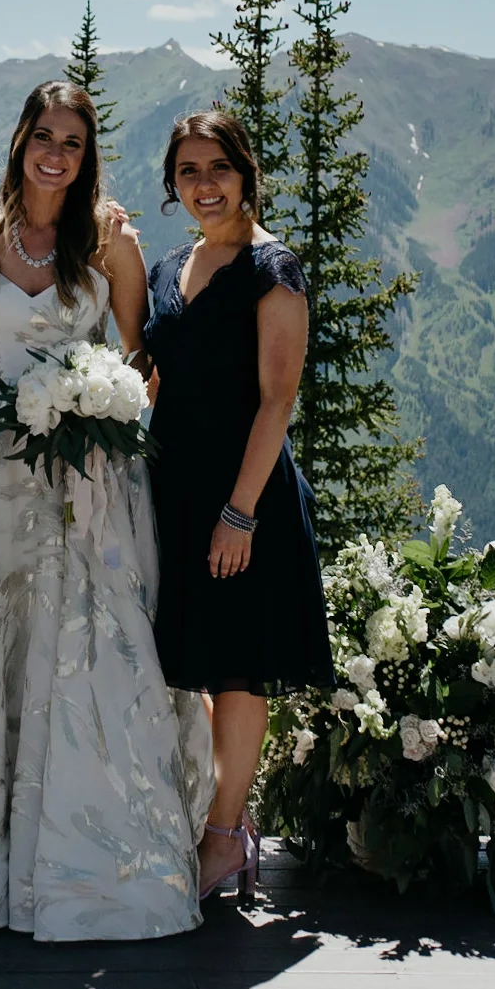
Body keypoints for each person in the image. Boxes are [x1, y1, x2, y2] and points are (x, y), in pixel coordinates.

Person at [0, 81, 208, 942]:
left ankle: (82, 856)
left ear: (86, 154)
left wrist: (92, 401)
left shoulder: (109, 241)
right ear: (21, 140)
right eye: (43, 136)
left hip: (86, 482)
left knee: (80, 645)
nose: (55, 153)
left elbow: (139, 362)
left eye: (72, 141)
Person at [142, 110, 331, 901]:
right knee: (196, 661)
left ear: (246, 172)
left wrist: (240, 512)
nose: (205, 184)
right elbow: (156, 375)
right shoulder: (168, 267)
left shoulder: (271, 268)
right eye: (188, 171)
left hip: (244, 497)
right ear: (173, 184)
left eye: (218, 167)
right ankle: (228, 817)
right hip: (176, 490)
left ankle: (222, 838)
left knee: (238, 670)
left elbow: (278, 399)